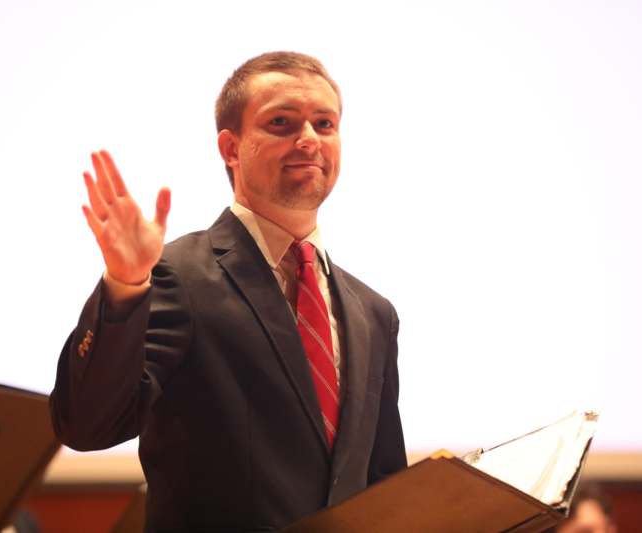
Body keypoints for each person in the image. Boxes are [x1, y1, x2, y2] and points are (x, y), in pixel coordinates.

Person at [49, 51, 407, 532]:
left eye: (325, 124)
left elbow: (386, 487)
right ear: (231, 148)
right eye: (281, 123)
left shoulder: (373, 313)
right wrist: (125, 284)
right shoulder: (178, 276)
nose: (308, 139)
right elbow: (87, 426)